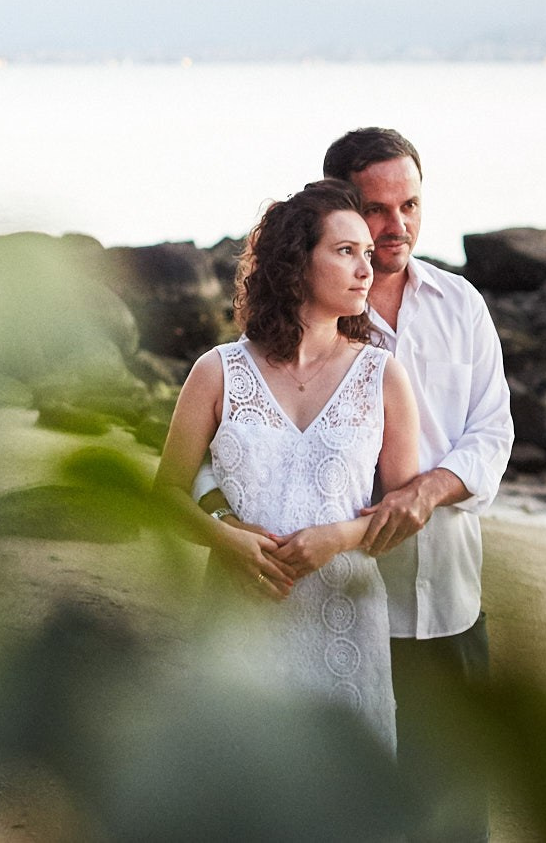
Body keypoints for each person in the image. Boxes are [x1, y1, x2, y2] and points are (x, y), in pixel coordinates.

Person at [199, 128, 514, 843]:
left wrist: (427, 489)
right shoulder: (297, 326)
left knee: (457, 811)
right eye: (377, 209)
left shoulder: (461, 305)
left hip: (448, 601)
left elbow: (493, 432)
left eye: (410, 204)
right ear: (340, 207)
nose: (397, 226)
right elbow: (225, 456)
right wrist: (229, 526)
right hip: (336, 608)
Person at [153, 179, 421, 749]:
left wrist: (339, 537)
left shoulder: (383, 376)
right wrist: (225, 539)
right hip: (238, 617)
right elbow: (167, 494)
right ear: (297, 262)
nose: (365, 269)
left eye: (368, 254)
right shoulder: (217, 370)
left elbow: (405, 509)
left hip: (343, 622)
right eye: (345, 251)